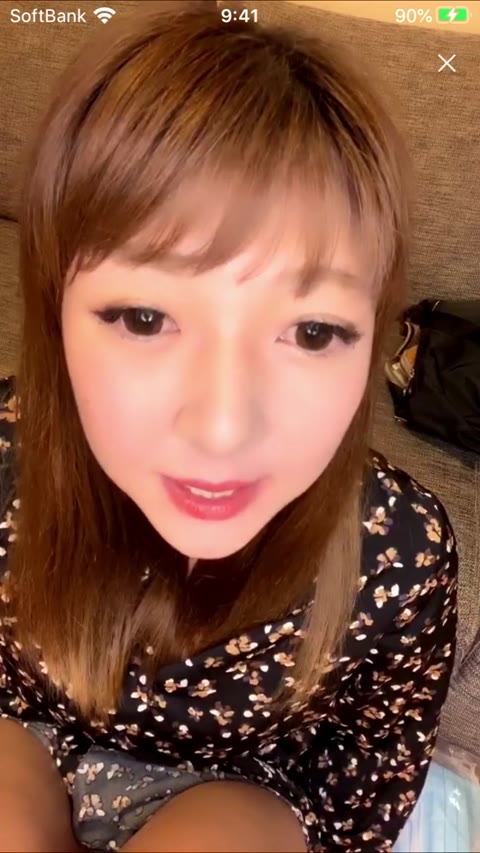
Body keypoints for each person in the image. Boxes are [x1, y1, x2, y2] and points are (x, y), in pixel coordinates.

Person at [0, 4, 458, 852]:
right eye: (144, 318)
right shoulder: (7, 464)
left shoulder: (397, 551)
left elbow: (373, 765)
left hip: (244, 786)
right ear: (54, 311)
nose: (220, 428)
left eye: (311, 331)